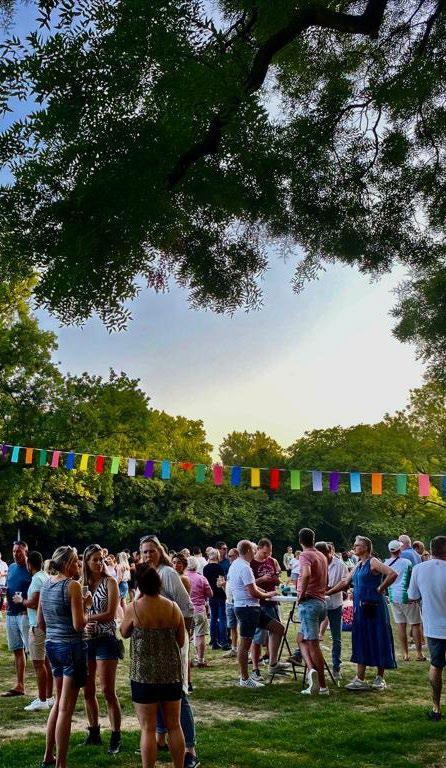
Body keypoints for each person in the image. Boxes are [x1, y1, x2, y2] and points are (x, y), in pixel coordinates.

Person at [139, 535, 199, 768]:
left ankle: (190, 749)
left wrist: (181, 638)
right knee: (155, 693)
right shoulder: (147, 573)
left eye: (151, 551)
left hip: (173, 645)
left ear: (160, 551)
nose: (148, 555)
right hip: (152, 649)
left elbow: (187, 608)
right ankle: (160, 738)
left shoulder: (168, 573)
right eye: (144, 551)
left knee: (178, 696)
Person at [121, 564, 185, 768]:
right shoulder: (173, 608)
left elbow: (123, 632)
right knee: (174, 725)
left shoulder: (133, 608)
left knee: (148, 728)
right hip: (170, 675)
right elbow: (181, 640)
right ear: (159, 583)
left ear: (139, 585)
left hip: (143, 676)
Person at [38, 545, 89, 768]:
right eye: (76, 561)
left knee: (58, 703)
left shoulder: (46, 584)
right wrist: (86, 607)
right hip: (71, 648)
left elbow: (40, 623)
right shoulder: (72, 586)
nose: (79, 565)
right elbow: (79, 625)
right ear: (68, 564)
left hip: (52, 646)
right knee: (66, 708)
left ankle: (48, 755)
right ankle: (62, 763)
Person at [327, 535, 397, 691]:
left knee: (378, 637)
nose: (354, 547)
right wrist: (328, 593)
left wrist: (381, 588)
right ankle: (360, 678)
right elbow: (345, 582)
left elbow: (392, 573)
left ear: (365, 547)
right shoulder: (358, 564)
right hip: (360, 609)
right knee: (361, 639)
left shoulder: (373, 562)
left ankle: (380, 678)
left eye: (357, 545)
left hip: (375, 608)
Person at [82, 543, 122, 755]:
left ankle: (116, 735)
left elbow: (111, 613)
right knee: (87, 690)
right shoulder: (81, 584)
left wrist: (87, 618)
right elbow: (75, 612)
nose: (99, 563)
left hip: (106, 638)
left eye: (101, 559)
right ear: (86, 562)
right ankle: (94, 732)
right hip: (86, 640)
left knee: (107, 690)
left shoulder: (110, 582)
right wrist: (83, 623)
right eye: (95, 559)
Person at [230, 539, 287, 688]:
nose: (255, 553)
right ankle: (245, 678)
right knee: (245, 643)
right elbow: (253, 592)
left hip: (251, 607)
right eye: (254, 550)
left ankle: (273, 663)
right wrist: (267, 595)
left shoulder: (235, 564)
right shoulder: (245, 567)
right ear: (249, 550)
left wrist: (266, 592)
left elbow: (249, 587)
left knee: (278, 628)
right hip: (247, 608)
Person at [408, 535, 446, 721]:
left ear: (430, 550)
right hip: (435, 625)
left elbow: (412, 595)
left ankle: (436, 708)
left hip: (433, 626)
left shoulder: (419, 569)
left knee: (436, 665)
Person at [14, 551, 53, 711]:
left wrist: (21, 600)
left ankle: (42, 699)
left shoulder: (37, 579)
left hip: (37, 625)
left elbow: (35, 602)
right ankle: (49, 697)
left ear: (29, 565)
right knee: (46, 663)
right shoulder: (45, 576)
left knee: (38, 664)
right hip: (45, 624)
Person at [296, 529, 329, 695]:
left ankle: (322, 687)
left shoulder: (305, 555)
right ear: (313, 539)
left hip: (309, 603)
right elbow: (326, 579)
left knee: (313, 644)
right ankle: (312, 672)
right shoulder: (322, 555)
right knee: (301, 639)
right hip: (321, 602)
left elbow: (306, 574)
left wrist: (301, 594)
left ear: (300, 541)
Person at [384, 539, 425, 662]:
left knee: (401, 625)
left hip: (393, 596)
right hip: (407, 596)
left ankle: (405, 654)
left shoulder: (386, 563)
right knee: (415, 624)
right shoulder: (407, 562)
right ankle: (419, 653)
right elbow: (412, 579)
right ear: (399, 550)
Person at [1, 540, 32, 697]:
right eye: (14, 551)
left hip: (25, 614)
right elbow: (9, 586)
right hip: (11, 614)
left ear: (25, 552)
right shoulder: (12, 567)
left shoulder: (31, 568)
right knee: (17, 650)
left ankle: (48, 690)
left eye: (18, 551)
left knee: (34, 651)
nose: (15, 554)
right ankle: (20, 685)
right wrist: (4, 591)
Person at [250, 538, 283, 681]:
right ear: (258, 549)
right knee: (258, 637)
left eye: (269, 553)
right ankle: (255, 668)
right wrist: (262, 579)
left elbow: (276, 579)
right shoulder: (251, 563)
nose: (267, 556)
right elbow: (249, 584)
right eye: (264, 553)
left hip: (273, 601)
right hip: (260, 603)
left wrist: (277, 581)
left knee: (276, 630)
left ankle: (272, 662)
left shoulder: (271, 561)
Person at [316, 541, 348, 683]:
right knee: (311, 634)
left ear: (328, 552)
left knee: (336, 638)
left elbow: (344, 582)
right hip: (319, 604)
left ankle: (336, 667)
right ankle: (312, 666)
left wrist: (330, 590)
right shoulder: (316, 562)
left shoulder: (340, 565)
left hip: (335, 605)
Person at [186, 557, 213, 667]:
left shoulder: (182, 578)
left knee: (186, 637)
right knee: (200, 635)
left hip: (186, 611)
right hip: (199, 610)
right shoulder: (201, 578)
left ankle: (188, 659)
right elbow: (210, 594)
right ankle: (200, 660)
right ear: (196, 566)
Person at [203, 549, 229, 650]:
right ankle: (224, 642)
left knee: (213, 619)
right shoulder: (219, 567)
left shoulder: (205, 568)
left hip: (211, 595)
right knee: (222, 618)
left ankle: (214, 642)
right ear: (217, 556)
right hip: (220, 594)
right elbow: (221, 582)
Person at [223, 548, 239, 659]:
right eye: (228, 556)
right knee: (232, 627)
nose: (228, 558)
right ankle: (234, 649)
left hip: (237, 602)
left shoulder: (240, 567)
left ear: (237, 555)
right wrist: (224, 584)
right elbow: (230, 582)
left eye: (230, 556)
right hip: (229, 601)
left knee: (242, 628)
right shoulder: (231, 567)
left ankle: (246, 650)